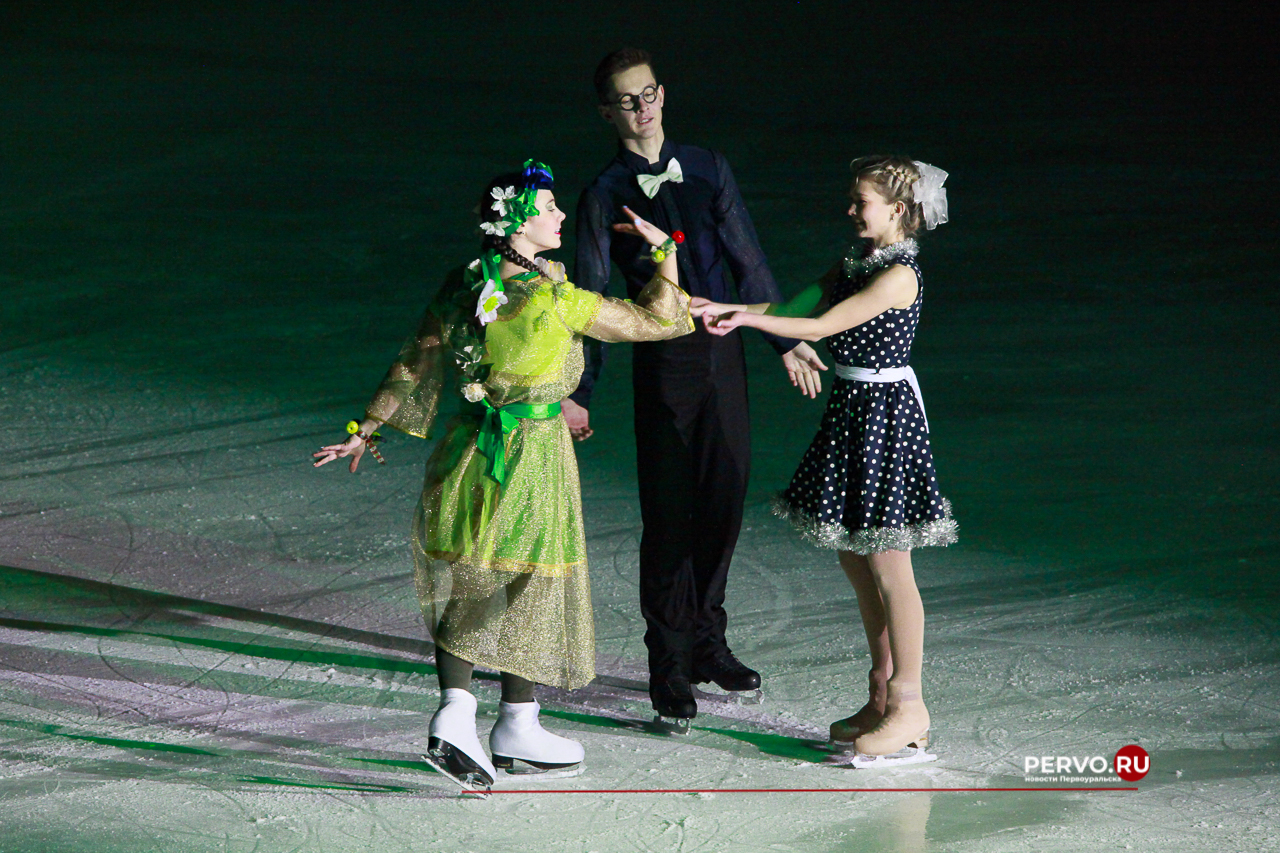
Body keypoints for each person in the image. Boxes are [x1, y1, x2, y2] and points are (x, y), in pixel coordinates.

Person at [314, 161, 694, 789]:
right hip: (530, 453)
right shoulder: (550, 297)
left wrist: (366, 429)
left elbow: (415, 362)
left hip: (470, 448)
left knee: (494, 574)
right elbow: (655, 321)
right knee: (518, 579)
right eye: (548, 206)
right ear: (517, 223)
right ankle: (458, 716)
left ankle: (513, 719)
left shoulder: (468, 282)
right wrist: (664, 250)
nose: (561, 215)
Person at [568, 48, 828, 722]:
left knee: (725, 495)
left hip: (723, 356)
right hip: (662, 361)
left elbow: (749, 258)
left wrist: (787, 335)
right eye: (627, 99)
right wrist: (580, 389)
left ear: (662, 94)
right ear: (608, 112)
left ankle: (708, 639)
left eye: (649, 92)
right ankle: (669, 659)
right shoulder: (602, 193)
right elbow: (591, 298)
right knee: (671, 511)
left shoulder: (710, 168)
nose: (643, 105)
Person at [691, 156, 957, 761]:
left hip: (887, 419)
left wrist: (742, 320)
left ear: (896, 209)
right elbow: (793, 309)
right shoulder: (857, 263)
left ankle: (910, 705)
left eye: (861, 199)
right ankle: (881, 694)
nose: (851, 208)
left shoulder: (899, 277)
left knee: (891, 565)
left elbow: (823, 323)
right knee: (856, 558)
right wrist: (722, 306)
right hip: (853, 414)